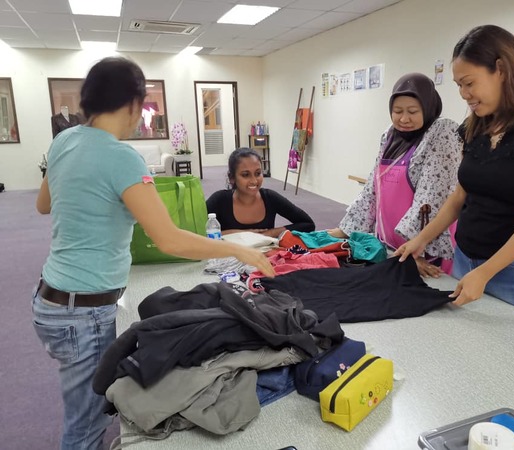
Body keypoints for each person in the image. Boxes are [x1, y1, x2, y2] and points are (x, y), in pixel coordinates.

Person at [33, 57, 275, 450]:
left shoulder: (64, 140)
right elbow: (170, 240)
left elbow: (44, 205)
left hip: (49, 297)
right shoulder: (121, 156)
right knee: (85, 423)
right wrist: (237, 248)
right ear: (133, 104)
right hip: (83, 311)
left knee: (81, 407)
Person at [395, 25, 514, 319]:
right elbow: (460, 196)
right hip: (466, 258)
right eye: (458, 85)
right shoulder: (476, 124)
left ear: (501, 70)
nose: (464, 94)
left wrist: (486, 271)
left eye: (469, 83)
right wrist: (422, 238)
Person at [329, 73, 461, 277]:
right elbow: (372, 191)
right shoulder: (390, 136)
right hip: (391, 247)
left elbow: (432, 198)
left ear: (428, 108)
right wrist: (346, 230)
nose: (404, 119)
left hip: (424, 249)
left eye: (413, 111)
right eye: (397, 111)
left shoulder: (442, 133)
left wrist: (414, 247)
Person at [206, 147, 316, 238]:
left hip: (265, 258)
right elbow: (195, 234)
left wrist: (270, 233)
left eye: (258, 173)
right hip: (228, 260)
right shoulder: (219, 200)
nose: (254, 180)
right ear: (232, 178)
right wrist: (245, 234)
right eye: (245, 175)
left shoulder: (270, 198)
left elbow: (307, 224)